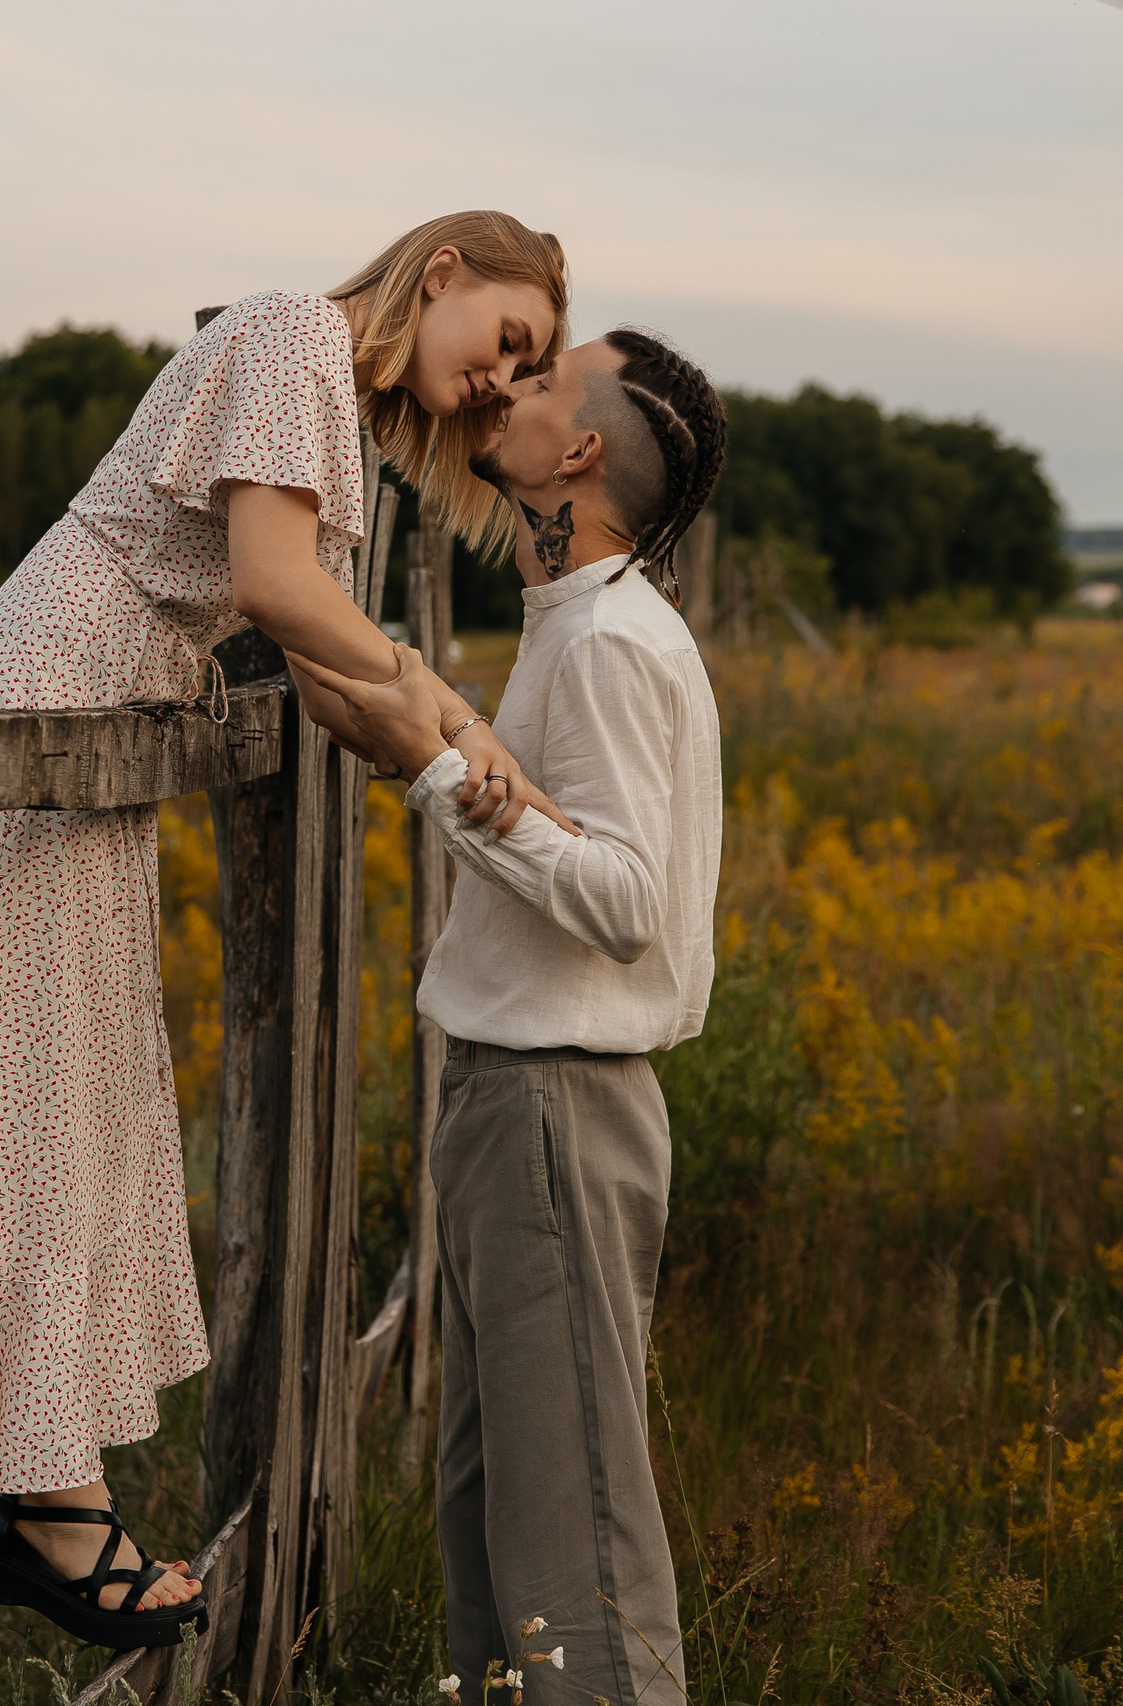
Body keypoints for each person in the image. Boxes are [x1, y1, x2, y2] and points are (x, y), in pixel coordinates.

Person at [0, 211, 572, 1651]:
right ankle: (51, 1512)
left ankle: (50, 1493)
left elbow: (321, 673)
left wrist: (461, 768)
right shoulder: (290, 336)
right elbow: (284, 595)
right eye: (508, 339)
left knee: (76, 1114)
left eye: (526, 370)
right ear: (444, 274)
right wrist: (450, 707)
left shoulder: (333, 412)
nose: (500, 376)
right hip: (31, 726)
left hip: (86, 746)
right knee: (33, 1109)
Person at [292, 327, 727, 1706]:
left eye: (541, 381)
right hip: (521, 1104)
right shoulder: (579, 624)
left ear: (580, 449)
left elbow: (627, 901)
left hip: (555, 1107)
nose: (504, 388)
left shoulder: (605, 641)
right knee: (500, 1524)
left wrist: (433, 771)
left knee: (574, 1531)